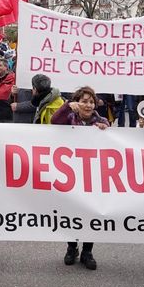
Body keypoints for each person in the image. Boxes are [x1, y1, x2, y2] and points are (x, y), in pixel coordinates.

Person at [50, 86, 108, 270]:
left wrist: (104, 129)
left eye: (91, 101)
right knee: (72, 212)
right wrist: (68, 106)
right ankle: (72, 247)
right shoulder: (68, 118)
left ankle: (87, 251)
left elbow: (112, 143)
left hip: (93, 177)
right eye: (84, 101)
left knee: (91, 213)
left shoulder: (101, 121)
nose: (88, 105)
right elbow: (54, 121)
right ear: (77, 102)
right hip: (71, 175)